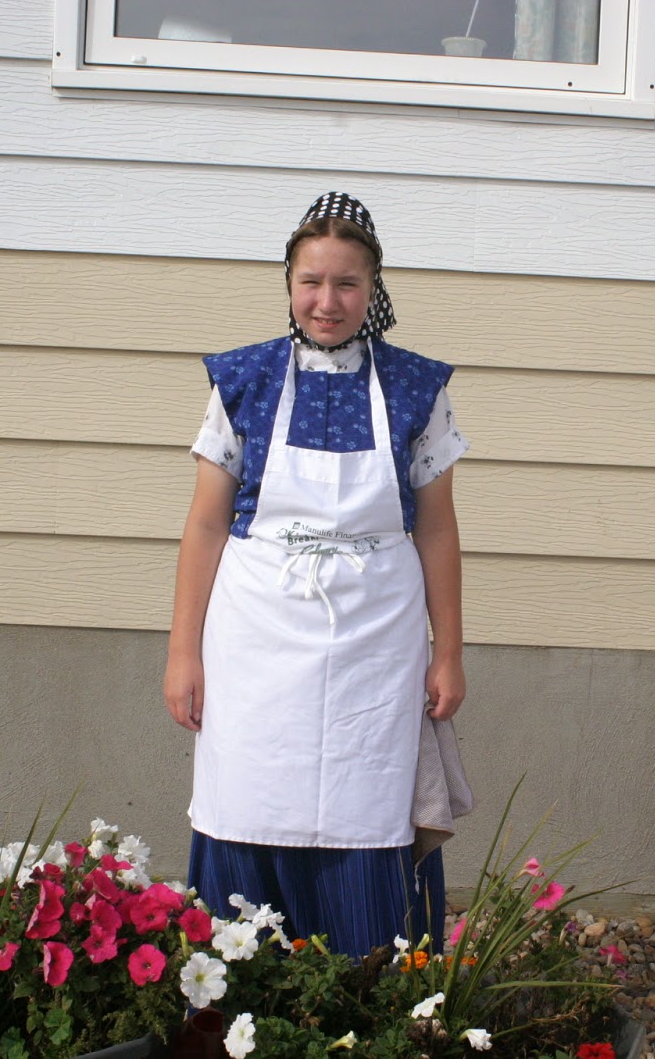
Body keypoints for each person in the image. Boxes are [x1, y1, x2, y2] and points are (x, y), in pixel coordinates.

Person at [163, 192, 471, 956]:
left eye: (346, 284)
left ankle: (371, 993)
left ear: (372, 289)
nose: (326, 302)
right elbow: (205, 525)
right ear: (289, 283)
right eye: (311, 281)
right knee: (250, 795)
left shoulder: (416, 388)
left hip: (377, 637)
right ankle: (240, 988)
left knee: (368, 801)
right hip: (256, 635)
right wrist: (182, 654)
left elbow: (436, 529)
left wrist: (449, 651)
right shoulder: (243, 380)